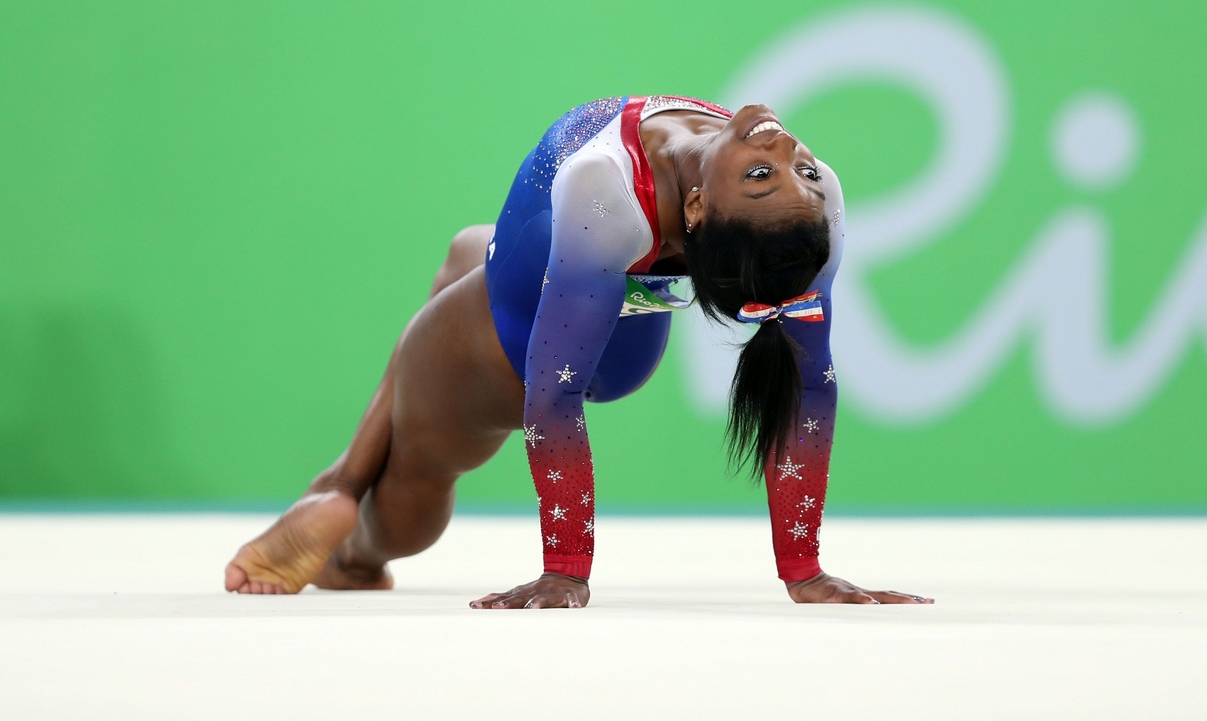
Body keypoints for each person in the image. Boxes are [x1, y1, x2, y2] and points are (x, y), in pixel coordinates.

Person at [224, 95, 932, 608]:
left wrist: (566, 568)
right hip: (588, 292)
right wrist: (802, 571)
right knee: (463, 251)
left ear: (695, 213)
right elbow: (811, 385)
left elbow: (556, 394)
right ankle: (337, 484)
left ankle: (353, 545)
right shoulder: (819, 203)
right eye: (788, 172)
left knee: (421, 407)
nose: (787, 156)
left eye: (760, 177)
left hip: (535, 340)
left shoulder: (607, 191)